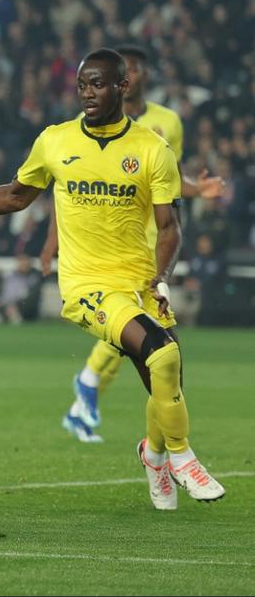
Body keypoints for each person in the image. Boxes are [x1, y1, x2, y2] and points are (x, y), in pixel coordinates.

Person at [0, 48, 225, 510]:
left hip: (138, 282)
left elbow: (170, 227)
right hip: (86, 285)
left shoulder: (153, 149)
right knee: (163, 351)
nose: (88, 93)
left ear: (123, 87)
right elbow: (15, 197)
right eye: (82, 85)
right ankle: (183, 458)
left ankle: (153, 454)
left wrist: (161, 276)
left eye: (98, 84)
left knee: (166, 377)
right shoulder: (54, 141)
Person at [38, 45, 226, 443]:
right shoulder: (81, 128)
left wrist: (197, 189)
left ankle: (95, 396)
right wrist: (52, 240)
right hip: (107, 252)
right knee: (144, 336)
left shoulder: (165, 124)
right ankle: (96, 390)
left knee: (152, 343)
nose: (135, 75)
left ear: (134, 78)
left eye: (139, 69)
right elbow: (70, 187)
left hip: (151, 245)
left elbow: (169, 177)